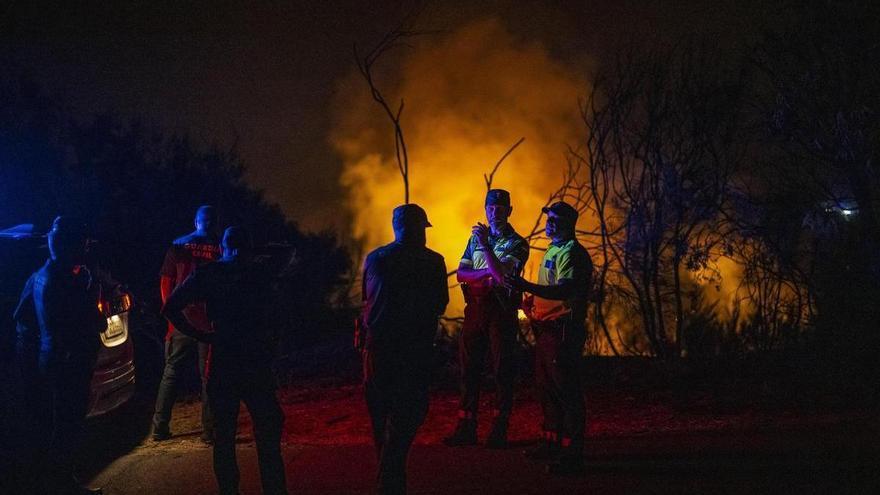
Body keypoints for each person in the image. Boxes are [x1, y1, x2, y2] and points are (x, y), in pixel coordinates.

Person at [162, 226, 287, 495]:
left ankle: (230, 491)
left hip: (223, 358)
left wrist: (202, 335)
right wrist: (252, 252)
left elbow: (170, 306)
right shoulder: (259, 272)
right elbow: (287, 251)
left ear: (222, 246)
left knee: (224, 436)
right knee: (267, 432)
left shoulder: (209, 273)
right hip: (256, 360)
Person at [360, 204, 449, 495]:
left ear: (395, 227)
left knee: (381, 413)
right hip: (414, 350)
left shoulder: (375, 258)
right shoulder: (433, 262)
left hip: (377, 349)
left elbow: (367, 301)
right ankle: (390, 479)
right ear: (420, 229)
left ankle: (388, 477)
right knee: (410, 411)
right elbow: (438, 305)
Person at [14, 216, 107, 494]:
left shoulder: (38, 275)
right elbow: (98, 323)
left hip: (51, 362)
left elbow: (20, 317)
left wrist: (35, 349)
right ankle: (64, 485)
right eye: (82, 244)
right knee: (67, 427)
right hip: (70, 365)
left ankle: (56, 483)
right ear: (70, 245)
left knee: (53, 426)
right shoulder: (71, 284)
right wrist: (92, 293)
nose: (86, 249)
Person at [505, 201, 592, 475]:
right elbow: (550, 289)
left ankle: (572, 454)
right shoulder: (553, 249)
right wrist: (532, 301)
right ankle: (552, 442)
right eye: (549, 218)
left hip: (562, 331)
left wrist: (525, 286)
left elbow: (563, 291)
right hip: (546, 330)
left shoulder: (572, 253)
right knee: (547, 389)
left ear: (569, 223)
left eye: (555, 219)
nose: (550, 223)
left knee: (566, 391)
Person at [444, 189, 529, 448]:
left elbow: (502, 276)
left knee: (502, 369)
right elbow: (461, 274)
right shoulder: (475, 239)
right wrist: (486, 275)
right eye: (490, 208)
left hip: (501, 310)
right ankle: (466, 427)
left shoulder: (517, 242)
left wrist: (485, 251)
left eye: (500, 208)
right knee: (469, 367)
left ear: (509, 211)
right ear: (485, 209)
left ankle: (499, 428)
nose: (494, 213)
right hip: (476, 308)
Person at [152, 205, 221, 442]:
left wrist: (171, 312)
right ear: (213, 222)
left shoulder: (178, 245)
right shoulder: (220, 247)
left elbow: (165, 281)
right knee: (208, 376)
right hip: (208, 322)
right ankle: (210, 432)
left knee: (171, 372)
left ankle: (159, 428)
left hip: (180, 320)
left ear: (196, 221)